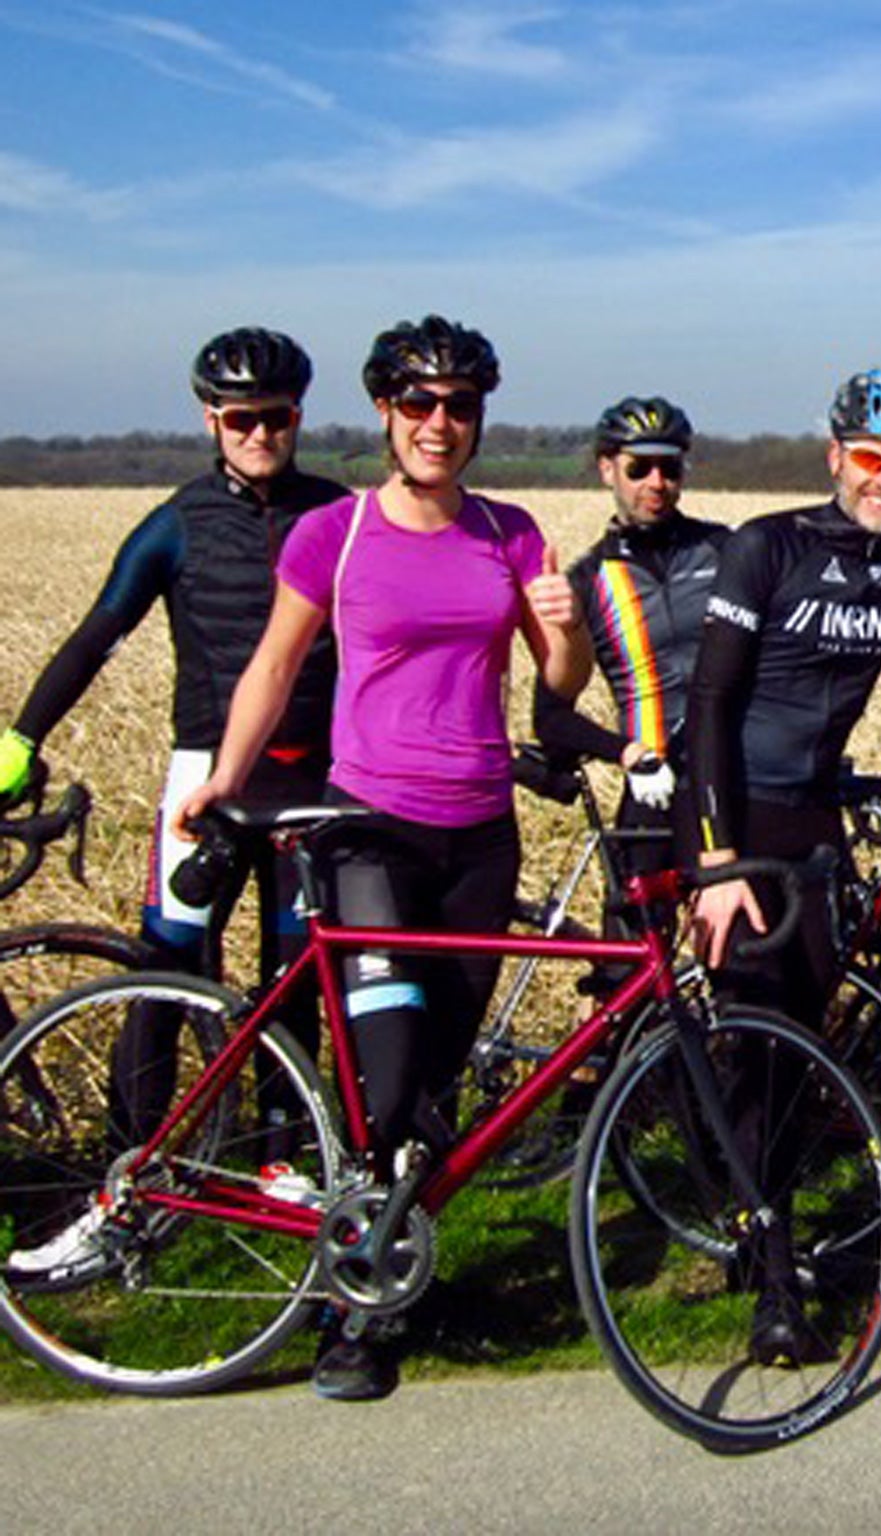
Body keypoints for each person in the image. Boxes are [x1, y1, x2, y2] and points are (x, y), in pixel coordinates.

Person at [178, 314, 591, 1402]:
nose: (440, 423)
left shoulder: (509, 532)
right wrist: (225, 778)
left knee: (438, 1082)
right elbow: (274, 664)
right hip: (368, 830)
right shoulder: (338, 535)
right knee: (385, 1076)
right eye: (419, 402)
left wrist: (567, 623)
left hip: (477, 836)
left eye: (460, 405)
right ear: (384, 412)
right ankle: (343, 1321)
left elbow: (560, 687)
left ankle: (389, 1270)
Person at [684, 368, 881, 1364]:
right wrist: (713, 861)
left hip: (812, 822)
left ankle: (758, 1221)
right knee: (755, 1045)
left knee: (800, 1049)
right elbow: (709, 707)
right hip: (732, 813)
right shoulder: (767, 548)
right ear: (836, 453)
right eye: (873, 461)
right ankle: (773, 1281)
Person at [0, 326, 345, 1009]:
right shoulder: (178, 523)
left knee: (293, 984)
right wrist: (22, 738)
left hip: (310, 779)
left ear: (297, 417)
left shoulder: (337, 514)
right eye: (241, 419)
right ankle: (138, 1122)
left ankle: (290, 1122)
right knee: (167, 974)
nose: (259, 434)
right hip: (204, 774)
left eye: (274, 417)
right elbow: (93, 639)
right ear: (211, 419)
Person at [533, 395, 725, 874]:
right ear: (607, 469)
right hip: (652, 783)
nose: (656, 484)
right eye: (639, 468)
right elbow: (550, 717)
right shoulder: (588, 580)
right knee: (627, 945)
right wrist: (626, 752)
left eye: (670, 468)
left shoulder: (727, 550)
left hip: (731, 780)